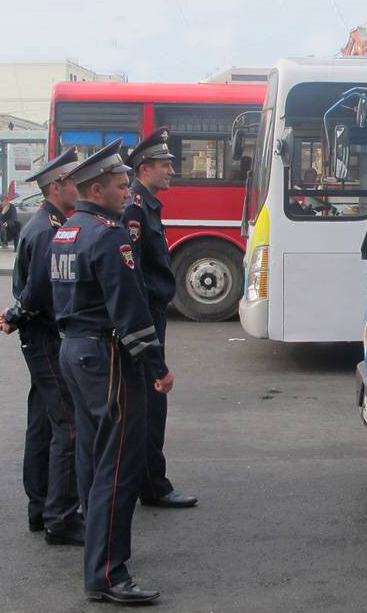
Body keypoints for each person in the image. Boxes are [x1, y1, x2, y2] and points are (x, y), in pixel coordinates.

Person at [52, 138, 174, 604]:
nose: (128, 193)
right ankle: (107, 573)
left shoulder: (67, 230)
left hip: (75, 352)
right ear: (97, 188)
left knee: (92, 459)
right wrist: (157, 366)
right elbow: (129, 309)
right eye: (122, 186)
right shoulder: (108, 234)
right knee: (118, 466)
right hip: (107, 357)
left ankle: (98, 556)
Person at [1, 148, 83, 545]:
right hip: (47, 338)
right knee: (67, 425)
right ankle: (61, 517)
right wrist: (17, 314)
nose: (78, 189)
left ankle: (40, 508)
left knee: (42, 423)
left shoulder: (43, 224)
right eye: (73, 183)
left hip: (38, 336)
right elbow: (38, 292)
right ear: (56, 187)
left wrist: (17, 314)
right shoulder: (51, 230)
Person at [122, 128, 197, 509]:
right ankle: (153, 486)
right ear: (144, 167)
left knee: (152, 403)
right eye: (165, 165)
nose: (172, 170)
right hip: (146, 316)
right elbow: (131, 273)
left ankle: (150, 481)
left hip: (152, 314)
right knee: (152, 401)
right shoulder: (135, 208)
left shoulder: (145, 204)